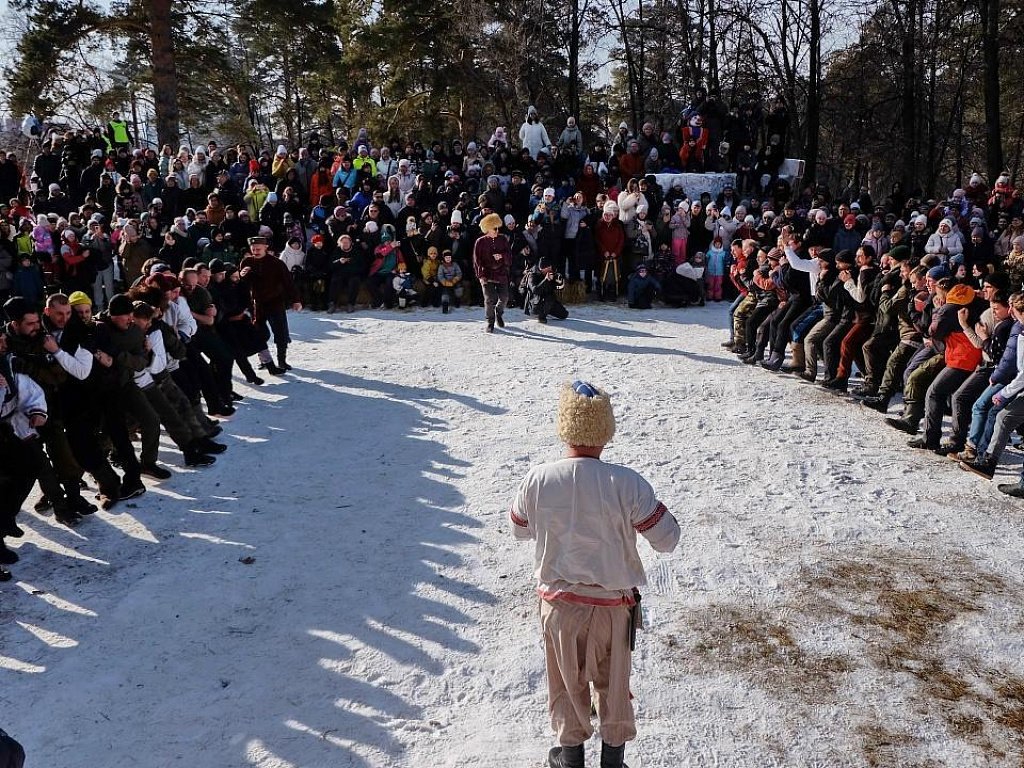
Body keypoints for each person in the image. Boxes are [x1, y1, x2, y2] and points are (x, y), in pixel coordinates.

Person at [509, 381, 680, 768]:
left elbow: (519, 528)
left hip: (558, 605)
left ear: (564, 426)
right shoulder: (627, 482)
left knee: (566, 684)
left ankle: (570, 759)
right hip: (613, 607)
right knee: (614, 683)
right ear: (606, 429)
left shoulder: (537, 479)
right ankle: (613, 761)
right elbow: (667, 539)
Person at [238, 236, 302, 372]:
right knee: (259, 334)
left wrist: (296, 300)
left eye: (258, 249)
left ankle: (282, 360)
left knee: (281, 333)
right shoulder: (246, 262)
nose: (255, 251)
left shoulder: (276, 263)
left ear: (265, 248)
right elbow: (242, 285)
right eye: (253, 249)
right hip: (257, 304)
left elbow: (288, 283)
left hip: (275, 302)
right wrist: (242, 276)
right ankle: (264, 360)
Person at [473, 212, 511, 332]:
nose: (497, 230)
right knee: (490, 299)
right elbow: (476, 260)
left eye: (498, 227)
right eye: (495, 228)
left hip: (501, 272)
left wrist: (502, 256)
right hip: (487, 274)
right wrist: (481, 275)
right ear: (488, 229)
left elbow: (510, 256)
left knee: (504, 297)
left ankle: (499, 313)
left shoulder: (503, 239)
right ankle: (490, 321)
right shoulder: (480, 242)